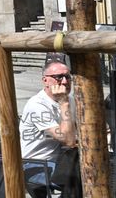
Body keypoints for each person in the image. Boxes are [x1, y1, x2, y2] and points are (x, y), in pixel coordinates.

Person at [19, 60, 78, 190]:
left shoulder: (71, 100)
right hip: (36, 164)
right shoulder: (38, 104)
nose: (64, 82)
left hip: (63, 159)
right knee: (81, 178)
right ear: (45, 80)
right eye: (58, 77)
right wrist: (64, 103)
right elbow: (68, 140)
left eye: (67, 77)